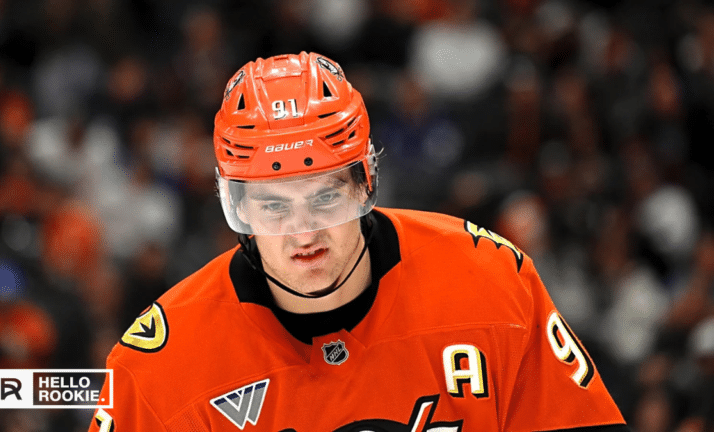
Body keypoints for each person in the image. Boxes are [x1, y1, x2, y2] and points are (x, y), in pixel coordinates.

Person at [89, 52, 628, 432]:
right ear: (239, 210)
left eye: (325, 199)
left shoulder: (489, 280)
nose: (303, 233)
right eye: (274, 207)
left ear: (365, 183)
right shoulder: (157, 370)